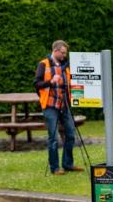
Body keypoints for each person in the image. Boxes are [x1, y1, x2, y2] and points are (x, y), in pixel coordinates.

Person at [34, 40, 82, 175]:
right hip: (50, 106)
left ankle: (68, 164)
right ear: (55, 50)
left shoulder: (66, 65)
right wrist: (50, 82)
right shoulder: (43, 64)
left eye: (65, 53)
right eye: (62, 53)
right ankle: (55, 168)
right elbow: (37, 84)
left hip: (65, 104)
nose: (64, 55)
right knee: (53, 138)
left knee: (71, 135)